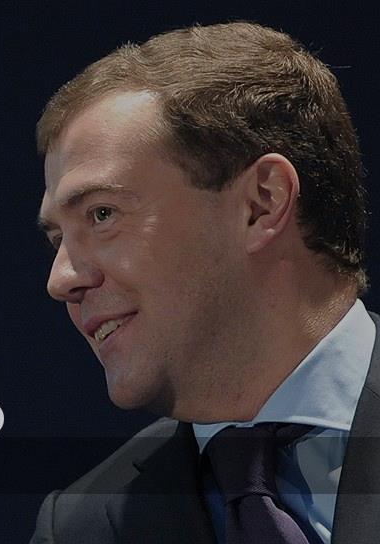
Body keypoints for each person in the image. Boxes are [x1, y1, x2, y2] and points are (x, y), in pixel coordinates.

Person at [31, 22, 378, 543]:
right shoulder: (81, 528)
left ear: (261, 203)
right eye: (58, 239)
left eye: (102, 214)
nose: (60, 281)